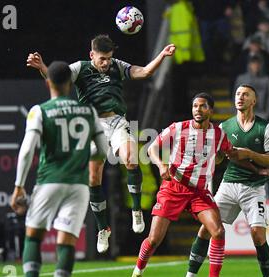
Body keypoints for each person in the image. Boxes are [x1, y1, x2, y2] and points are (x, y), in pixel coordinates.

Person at [26, 34, 176, 253]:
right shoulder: (80, 68)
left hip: (116, 121)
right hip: (92, 124)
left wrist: (162, 55)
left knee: (132, 159)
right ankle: (102, 228)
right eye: (102, 59)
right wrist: (42, 67)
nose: (106, 63)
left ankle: (136, 210)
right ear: (91, 55)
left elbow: (144, 72)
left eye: (108, 58)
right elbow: (56, 79)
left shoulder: (117, 66)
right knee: (93, 177)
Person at [127, 92, 265, 277]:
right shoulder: (178, 128)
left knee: (218, 231)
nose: (197, 110)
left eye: (202, 106)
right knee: (154, 239)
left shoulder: (218, 134)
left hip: (199, 192)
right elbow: (153, 148)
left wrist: (257, 169)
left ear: (211, 110)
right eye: (194, 106)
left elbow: (232, 156)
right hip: (173, 188)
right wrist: (160, 164)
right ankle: (137, 273)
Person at [165, 85, 269, 277]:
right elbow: (219, 156)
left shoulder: (265, 127)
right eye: (237, 94)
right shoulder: (225, 127)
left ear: (254, 101)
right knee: (205, 230)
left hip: (253, 188)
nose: (240, 97)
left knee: (258, 235)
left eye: (245, 95)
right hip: (228, 184)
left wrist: (249, 154)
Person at [10, 61, 108, 277]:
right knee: (67, 241)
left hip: (49, 181)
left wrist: (18, 186)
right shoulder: (89, 112)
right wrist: (82, 154)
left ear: (48, 83)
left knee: (33, 235)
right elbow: (103, 151)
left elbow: (27, 150)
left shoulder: (39, 110)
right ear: (70, 84)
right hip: (78, 185)